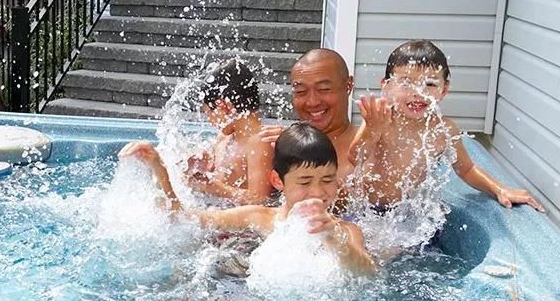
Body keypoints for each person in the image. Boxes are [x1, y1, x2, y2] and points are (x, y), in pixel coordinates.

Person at [119, 123, 375, 276]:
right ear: (277, 181)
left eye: (328, 180)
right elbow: (183, 219)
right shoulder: (258, 217)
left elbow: (366, 272)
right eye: (305, 182)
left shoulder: (346, 231)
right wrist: (159, 170)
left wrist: (333, 239)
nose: (318, 192)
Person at [348, 39, 544, 212]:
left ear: (444, 89)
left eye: (430, 84)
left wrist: (499, 189)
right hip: (367, 211)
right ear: (387, 85)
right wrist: (372, 130)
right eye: (406, 83)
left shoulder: (443, 129)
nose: (418, 93)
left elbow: (466, 169)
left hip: (406, 214)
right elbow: (355, 158)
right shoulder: (382, 121)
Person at [182, 58, 274, 205]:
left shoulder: (260, 143)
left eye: (209, 113)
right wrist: (199, 167)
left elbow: (260, 201)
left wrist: (210, 186)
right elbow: (217, 180)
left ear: (223, 105)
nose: (210, 121)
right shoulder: (223, 139)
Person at [260, 49, 358, 184]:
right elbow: (256, 199)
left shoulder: (367, 147)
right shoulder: (278, 145)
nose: (312, 102)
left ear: (348, 86)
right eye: (301, 92)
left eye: (323, 89)